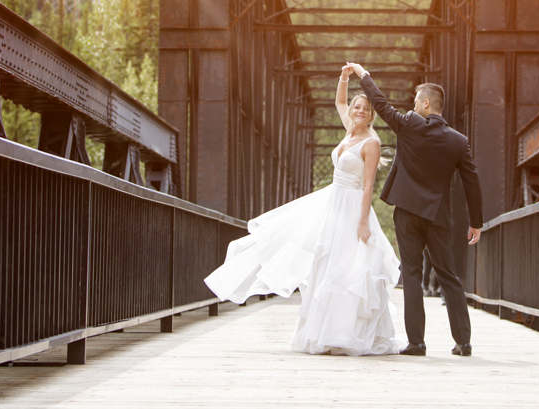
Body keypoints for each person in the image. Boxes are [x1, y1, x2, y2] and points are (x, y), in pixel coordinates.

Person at [204, 65, 406, 356]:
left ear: (372, 114)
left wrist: (364, 222)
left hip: (352, 208)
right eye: (357, 107)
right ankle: (324, 334)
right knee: (325, 267)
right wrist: (344, 77)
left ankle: (349, 335)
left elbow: (368, 187)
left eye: (366, 109)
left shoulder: (372, 143)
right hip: (331, 205)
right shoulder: (349, 131)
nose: (360, 111)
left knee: (350, 270)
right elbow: (338, 102)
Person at [348, 62, 483, 357]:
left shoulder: (409, 124)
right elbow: (471, 181)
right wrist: (476, 222)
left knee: (411, 273)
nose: (412, 105)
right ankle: (463, 342)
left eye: (415, 101)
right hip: (438, 216)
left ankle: (417, 343)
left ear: (425, 103)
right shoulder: (458, 141)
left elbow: (381, 105)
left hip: (408, 212)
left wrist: (362, 74)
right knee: (449, 275)